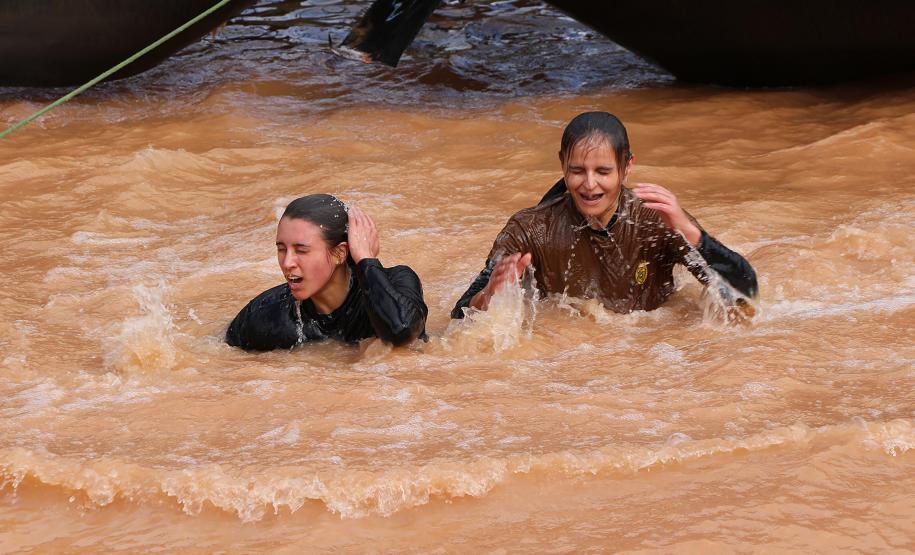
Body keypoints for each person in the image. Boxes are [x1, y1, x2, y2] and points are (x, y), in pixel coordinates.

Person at [451, 111, 758, 320]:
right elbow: (460, 317)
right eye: (576, 171)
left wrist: (691, 234)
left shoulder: (656, 220)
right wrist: (492, 292)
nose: (589, 184)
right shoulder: (531, 228)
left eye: (603, 171)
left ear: (627, 167)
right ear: (562, 166)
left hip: (657, 352)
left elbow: (747, 290)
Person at [226, 194, 427, 350]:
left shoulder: (397, 283)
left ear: (340, 253)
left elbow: (401, 332)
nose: (287, 262)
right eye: (281, 249)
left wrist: (366, 260)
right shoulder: (267, 315)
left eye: (301, 250)